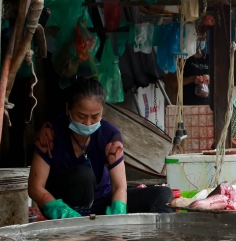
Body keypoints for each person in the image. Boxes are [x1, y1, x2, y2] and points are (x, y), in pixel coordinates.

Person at [30, 77, 174, 218]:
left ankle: (162, 238)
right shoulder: (50, 134)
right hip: (64, 207)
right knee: (83, 175)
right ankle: (78, 229)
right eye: (81, 116)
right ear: (68, 109)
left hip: (100, 204)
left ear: (102, 111)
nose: (88, 123)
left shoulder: (109, 135)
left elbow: (119, 187)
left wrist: (118, 209)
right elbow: (35, 187)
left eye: (95, 116)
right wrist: (57, 208)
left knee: (163, 194)